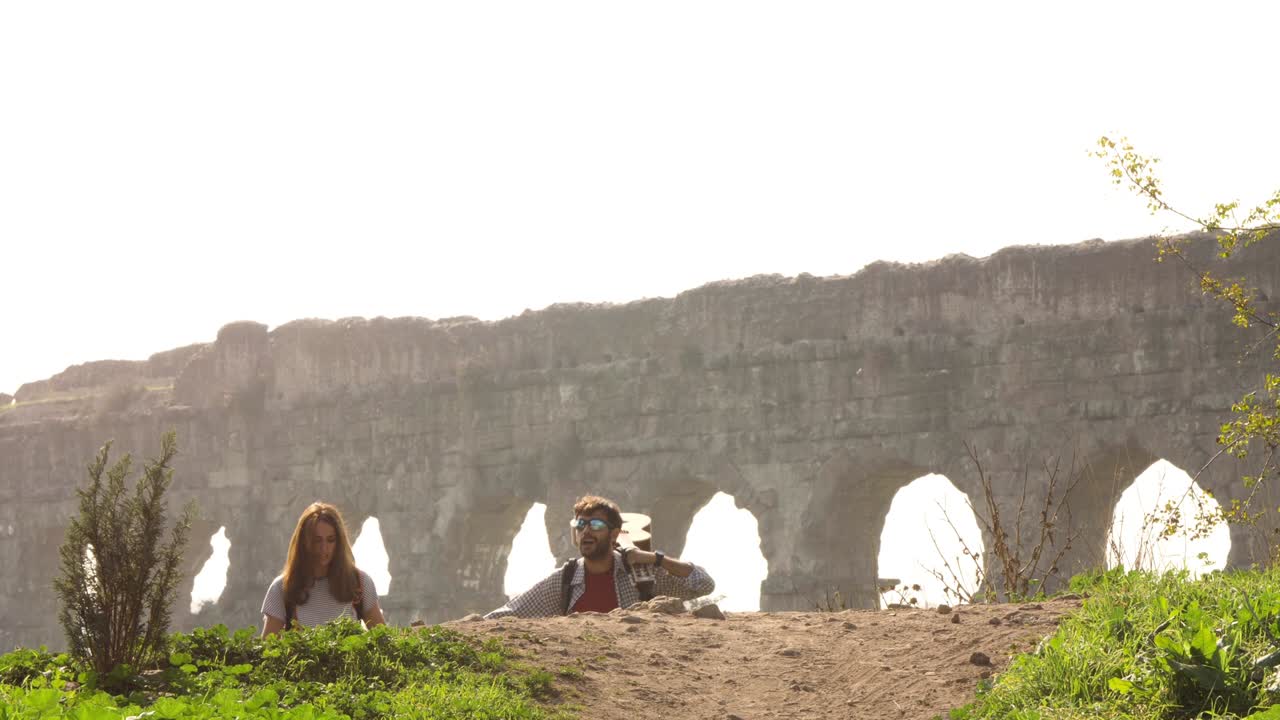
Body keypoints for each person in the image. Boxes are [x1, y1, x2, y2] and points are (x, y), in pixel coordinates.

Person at [485, 495, 715, 618]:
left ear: (614, 534)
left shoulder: (641, 576)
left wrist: (656, 559)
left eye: (595, 524)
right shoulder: (565, 579)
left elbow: (703, 584)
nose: (586, 530)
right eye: (580, 524)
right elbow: (509, 614)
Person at [261, 501, 386, 636]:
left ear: (339, 542)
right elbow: (267, 650)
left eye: (331, 540)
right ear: (304, 542)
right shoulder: (283, 588)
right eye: (317, 540)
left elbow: (385, 641)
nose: (324, 548)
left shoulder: (360, 583)